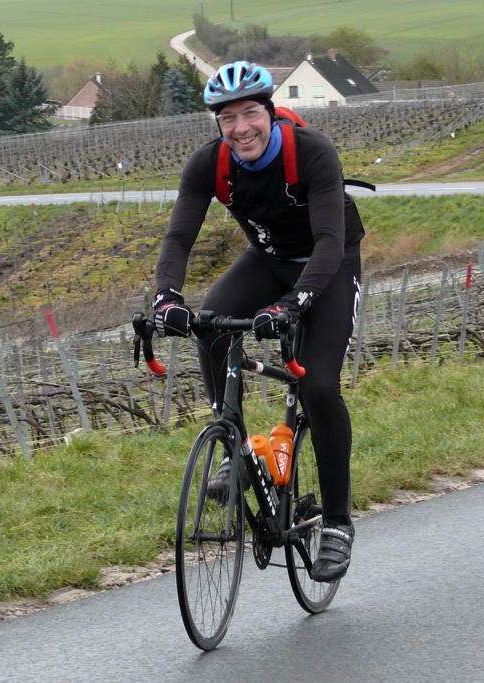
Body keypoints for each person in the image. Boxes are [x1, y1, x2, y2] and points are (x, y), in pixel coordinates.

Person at [151, 60, 365, 583]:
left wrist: (293, 303)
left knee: (317, 386)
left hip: (330, 264)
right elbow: (178, 238)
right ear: (218, 124)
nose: (241, 127)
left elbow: (330, 242)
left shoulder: (311, 152)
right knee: (209, 325)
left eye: (250, 113)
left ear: (270, 113)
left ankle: (337, 523)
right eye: (228, 118)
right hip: (267, 259)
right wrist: (166, 297)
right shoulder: (209, 164)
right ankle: (238, 450)